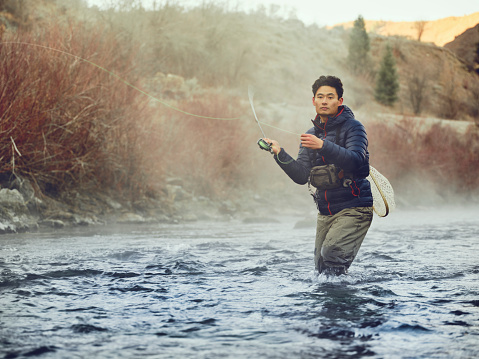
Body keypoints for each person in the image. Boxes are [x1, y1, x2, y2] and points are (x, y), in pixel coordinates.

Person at [262, 75, 373, 275]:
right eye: (320, 96)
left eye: (330, 97)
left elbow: (356, 160)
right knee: (322, 268)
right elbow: (301, 176)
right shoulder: (310, 133)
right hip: (326, 210)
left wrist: (323, 146)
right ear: (313, 101)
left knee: (332, 253)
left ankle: (343, 303)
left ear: (340, 101)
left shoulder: (354, 128)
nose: (324, 101)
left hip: (355, 206)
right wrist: (279, 153)